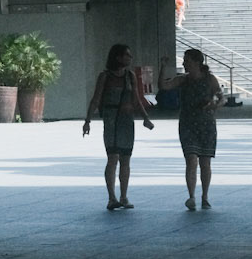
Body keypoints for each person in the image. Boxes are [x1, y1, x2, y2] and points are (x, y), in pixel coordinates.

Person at [83, 43, 154, 210]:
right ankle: (112, 197)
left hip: (127, 120)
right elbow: (96, 99)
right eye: (127, 55)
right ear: (118, 57)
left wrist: (145, 118)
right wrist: (88, 120)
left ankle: (123, 196)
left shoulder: (130, 76)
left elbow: (136, 98)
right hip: (111, 120)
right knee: (113, 157)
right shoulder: (105, 76)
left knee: (126, 159)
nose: (130, 58)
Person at [159, 48, 224, 210]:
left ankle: (205, 196)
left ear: (196, 62)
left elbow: (221, 97)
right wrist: (163, 67)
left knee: (205, 162)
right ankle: (192, 196)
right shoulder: (183, 79)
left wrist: (214, 105)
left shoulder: (210, 79)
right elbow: (164, 86)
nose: (183, 63)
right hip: (188, 124)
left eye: (186, 60)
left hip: (206, 124)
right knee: (191, 159)